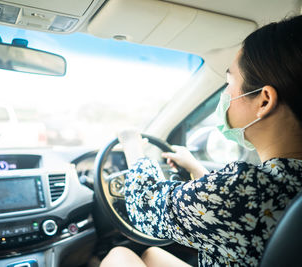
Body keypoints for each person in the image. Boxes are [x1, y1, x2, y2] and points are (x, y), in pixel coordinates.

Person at [100, 15, 302, 267]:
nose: (226, 95)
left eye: (229, 83)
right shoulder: (271, 186)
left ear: (264, 101)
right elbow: (232, 212)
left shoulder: (245, 188)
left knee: (119, 255)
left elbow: (144, 206)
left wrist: (130, 142)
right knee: (152, 255)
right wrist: (197, 170)